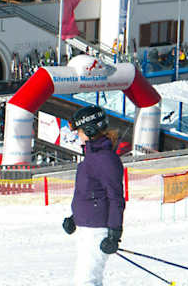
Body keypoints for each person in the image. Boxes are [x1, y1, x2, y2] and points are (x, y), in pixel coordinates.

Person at [62, 106, 125, 286]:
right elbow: (91, 193)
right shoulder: (93, 156)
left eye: (79, 131)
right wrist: (75, 218)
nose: (78, 135)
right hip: (87, 228)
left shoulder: (105, 159)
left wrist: (114, 232)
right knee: (89, 279)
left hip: (97, 230)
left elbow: (115, 197)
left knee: (85, 281)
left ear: (90, 130)